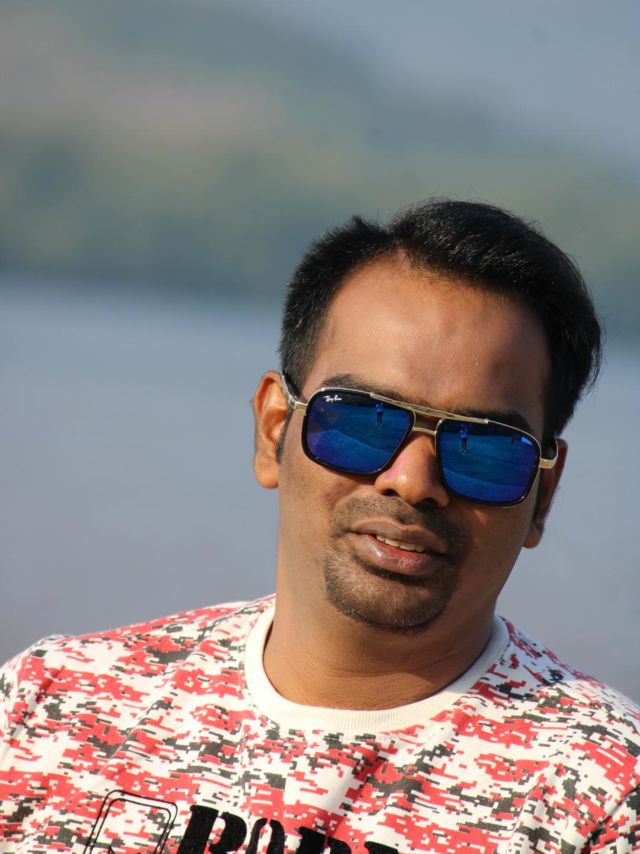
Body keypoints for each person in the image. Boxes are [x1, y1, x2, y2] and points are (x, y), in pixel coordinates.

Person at [1, 201, 638, 853]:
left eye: (483, 448)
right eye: (362, 421)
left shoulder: (606, 800)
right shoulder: (52, 704)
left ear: (543, 495)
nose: (411, 481)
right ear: (273, 429)